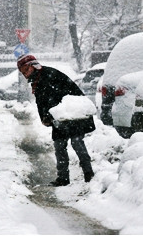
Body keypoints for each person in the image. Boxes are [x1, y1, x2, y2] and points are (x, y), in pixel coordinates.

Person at [18, 54, 95, 186]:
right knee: (60, 145)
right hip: (59, 116)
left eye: (26, 70)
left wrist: (49, 115)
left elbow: (54, 97)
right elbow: (41, 101)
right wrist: (44, 117)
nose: (24, 74)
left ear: (33, 66)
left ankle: (89, 174)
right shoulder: (37, 79)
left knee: (77, 142)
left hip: (71, 114)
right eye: (22, 72)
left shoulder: (48, 75)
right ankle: (63, 178)